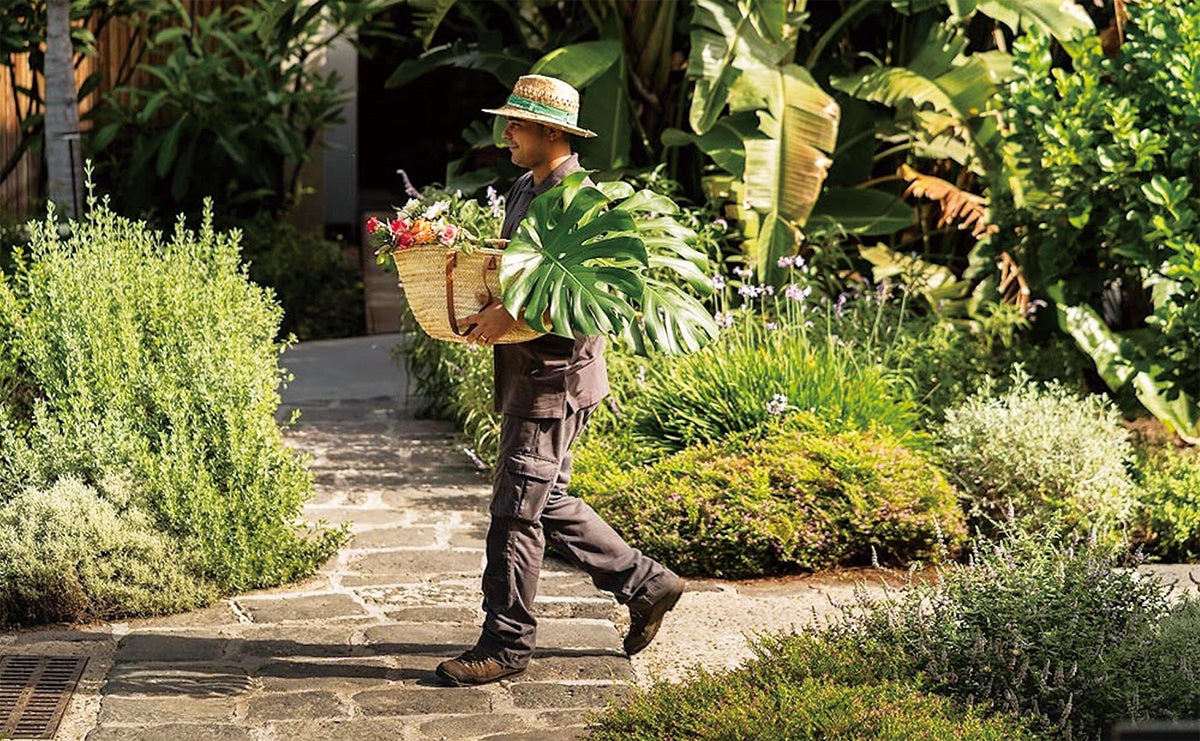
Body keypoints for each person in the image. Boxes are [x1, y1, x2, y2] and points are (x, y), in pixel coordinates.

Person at [435, 74, 685, 687]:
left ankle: (505, 646)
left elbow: (586, 296)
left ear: (551, 132)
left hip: (555, 378)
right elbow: (523, 265)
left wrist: (511, 314)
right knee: (545, 501)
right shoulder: (526, 186)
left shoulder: (580, 202)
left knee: (516, 511)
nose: (506, 133)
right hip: (530, 372)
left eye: (516, 124)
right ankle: (648, 583)